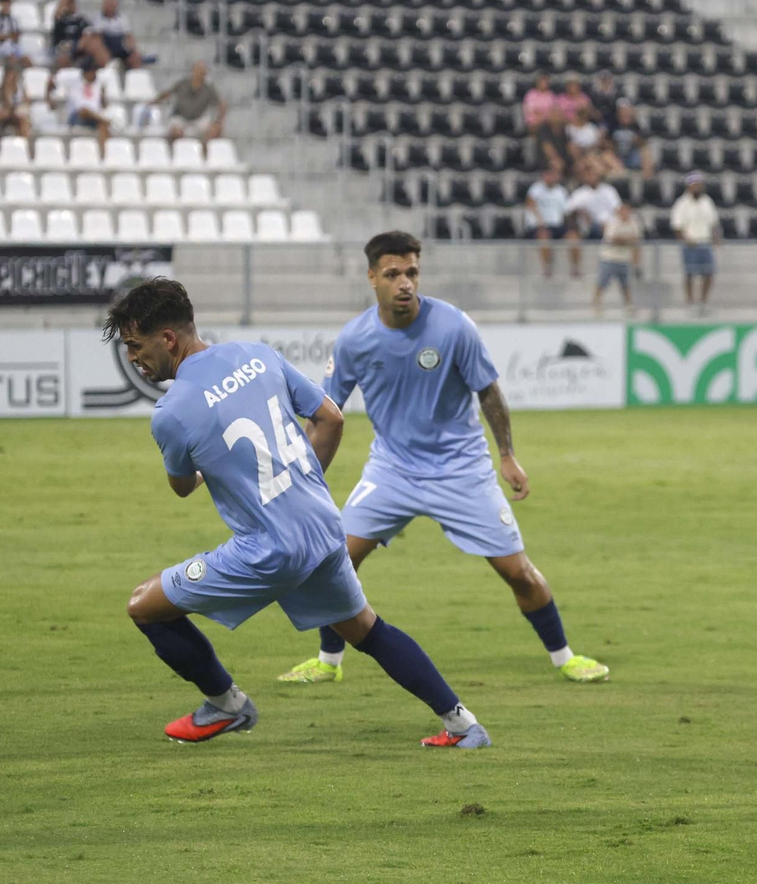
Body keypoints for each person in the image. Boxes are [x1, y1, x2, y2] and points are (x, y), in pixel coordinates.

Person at [104, 277, 490, 748]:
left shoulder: (172, 412)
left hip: (268, 550)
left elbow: (182, 486)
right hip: (323, 526)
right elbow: (331, 417)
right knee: (366, 629)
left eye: (135, 345)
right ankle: (463, 724)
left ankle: (226, 704)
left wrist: (211, 470)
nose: (133, 357)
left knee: (144, 607)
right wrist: (298, 486)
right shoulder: (257, 355)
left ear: (167, 338)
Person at [277, 232, 609, 686]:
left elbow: (488, 391)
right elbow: (325, 413)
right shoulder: (354, 340)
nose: (405, 283)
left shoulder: (454, 327)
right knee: (335, 562)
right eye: (393, 274)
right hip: (391, 471)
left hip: (461, 470)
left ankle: (565, 657)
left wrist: (507, 455)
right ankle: (328, 661)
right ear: (372, 277)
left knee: (518, 573)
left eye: (412, 272)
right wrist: (302, 474)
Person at [670, 171, 720, 312]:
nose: (697, 187)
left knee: (708, 273)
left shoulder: (707, 201)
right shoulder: (682, 203)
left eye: (699, 184)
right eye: (694, 185)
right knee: (689, 274)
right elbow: (677, 226)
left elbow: (713, 223)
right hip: (690, 244)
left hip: (705, 242)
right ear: (689, 186)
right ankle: (690, 302)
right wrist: (686, 239)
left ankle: (703, 302)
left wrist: (716, 238)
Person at [562, 161, 621, 279]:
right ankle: (575, 268)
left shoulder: (609, 191)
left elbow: (617, 209)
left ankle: (614, 267)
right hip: (585, 227)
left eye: (593, 174)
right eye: (588, 174)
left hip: (605, 226)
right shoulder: (579, 193)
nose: (590, 177)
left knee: (612, 230)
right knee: (572, 237)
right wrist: (580, 212)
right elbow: (567, 211)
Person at [149, 61, 226, 142]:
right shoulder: (182, 84)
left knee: (214, 131)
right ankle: (175, 148)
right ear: (193, 71)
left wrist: (218, 121)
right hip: (180, 117)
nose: (200, 74)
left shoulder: (209, 89)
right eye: (198, 71)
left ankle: (204, 149)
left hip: (198, 119)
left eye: (203, 72)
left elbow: (221, 104)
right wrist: (154, 101)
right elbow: (168, 93)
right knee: (175, 131)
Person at [594, 201, 641, 317]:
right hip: (609, 258)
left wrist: (624, 241)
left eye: (627, 211)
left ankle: (629, 306)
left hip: (624, 259)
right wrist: (627, 240)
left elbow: (636, 240)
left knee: (625, 285)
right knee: (602, 283)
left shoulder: (633, 224)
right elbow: (613, 239)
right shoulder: (613, 223)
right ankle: (596, 304)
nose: (625, 213)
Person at [523, 164, 568, 278]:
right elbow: (530, 205)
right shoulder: (536, 188)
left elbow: (565, 210)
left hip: (556, 225)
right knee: (544, 235)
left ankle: (575, 268)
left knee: (573, 236)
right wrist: (540, 220)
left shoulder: (561, 191)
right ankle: (547, 267)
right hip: (538, 226)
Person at [83, 0, 142, 69]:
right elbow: (95, 35)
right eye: (108, 4)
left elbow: (128, 35)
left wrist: (132, 49)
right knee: (97, 44)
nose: (110, 6)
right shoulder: (97, 18)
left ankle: (135, 73)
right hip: (104, 44)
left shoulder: (122, 18)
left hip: (119, 43)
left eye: (112, 4)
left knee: (135, 55)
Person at [65, 60, 111, 153]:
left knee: (103, 126)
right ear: (86, 72)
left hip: (93, 117)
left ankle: (105, 154)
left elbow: (103, 106)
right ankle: (103, 120)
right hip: (77, 116)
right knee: (84, 110)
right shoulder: (75, 83)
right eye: (92, 71)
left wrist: (103, 95)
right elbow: (80, 108)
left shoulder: (98, 85)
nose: (95, 74)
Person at [0, 65, 33, 148]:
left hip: (16, 113)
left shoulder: (21, 87)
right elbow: (6, 103)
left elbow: (26, 101)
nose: (12, 77)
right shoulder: (1, 88)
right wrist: (7, 87)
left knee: (23, 122)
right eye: (9, 75)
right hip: (6, 113)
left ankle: (24, 147)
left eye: (13, 74)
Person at [50, 0, 91, 69]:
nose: (72, 6)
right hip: (63, 48)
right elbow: (56, 40)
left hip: (79, 48)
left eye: (73, 3)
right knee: (64, 54)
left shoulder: (81, 20)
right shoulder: (60, 22)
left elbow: (89, 32)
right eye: (69, 3)